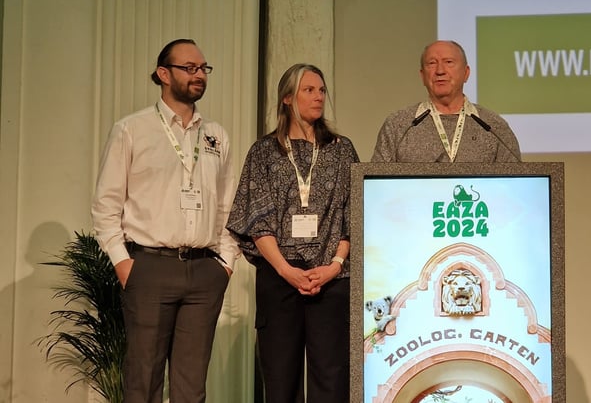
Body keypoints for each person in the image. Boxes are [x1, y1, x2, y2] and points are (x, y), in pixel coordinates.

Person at [91, 38, 240, 403]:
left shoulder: (215, 135)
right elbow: (106, 204)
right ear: (163, 74)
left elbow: (227, 206)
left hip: (205, 270)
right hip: (150, 266)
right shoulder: (131, 129)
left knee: (192, 388)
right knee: (143, 382)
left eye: (203, 68)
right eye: (189, 68)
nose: (199, 75)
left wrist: (226, 262)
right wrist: (124, 263)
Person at [226, 63, 359, 403]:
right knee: (280, 380)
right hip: (280, 279)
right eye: (309, 90)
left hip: (331, 281)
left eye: (322, 90)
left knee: (330, 381)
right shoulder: (264, 151)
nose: (318, 97)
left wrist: (333, 266)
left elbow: (353, 216)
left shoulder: (341, 149)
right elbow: (257, 218)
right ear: (287, 98)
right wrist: (286, 270)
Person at [371, 40, 521, 162]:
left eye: (448, 62)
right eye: (432, 63)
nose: (440, 71)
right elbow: (375, 184)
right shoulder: (399, 125)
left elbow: (517, 183)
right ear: (422, 76)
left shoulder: (492, 126)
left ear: (466, 73)